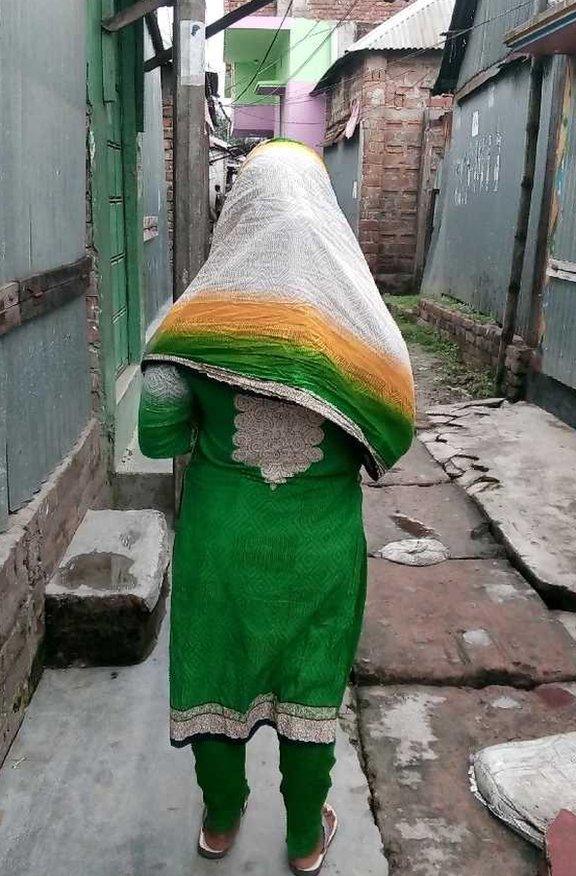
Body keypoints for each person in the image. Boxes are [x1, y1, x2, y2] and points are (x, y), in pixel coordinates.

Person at [138, 138, 414, 874]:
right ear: (327, 216)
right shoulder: (365, 333)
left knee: (213, 670)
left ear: (238, 213)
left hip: (220, 537)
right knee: (312, 683)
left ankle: (221, 823)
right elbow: (392, 439)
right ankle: (302, 839)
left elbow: (158, 435)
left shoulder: (184, 329)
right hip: (320, 543)